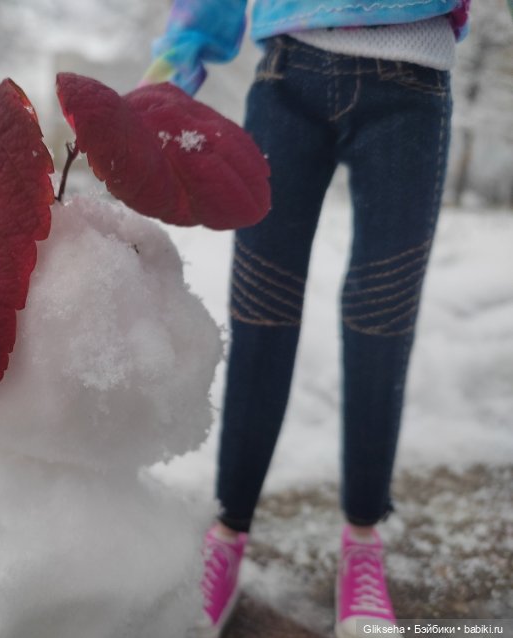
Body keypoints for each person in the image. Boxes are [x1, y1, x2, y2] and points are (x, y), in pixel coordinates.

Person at [143, 1, 471, 637]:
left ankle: (363, 543)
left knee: (383, 321)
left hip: (414, 74)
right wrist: (174, 65)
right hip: (288, 75)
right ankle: (229, 533)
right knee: (261, 313)